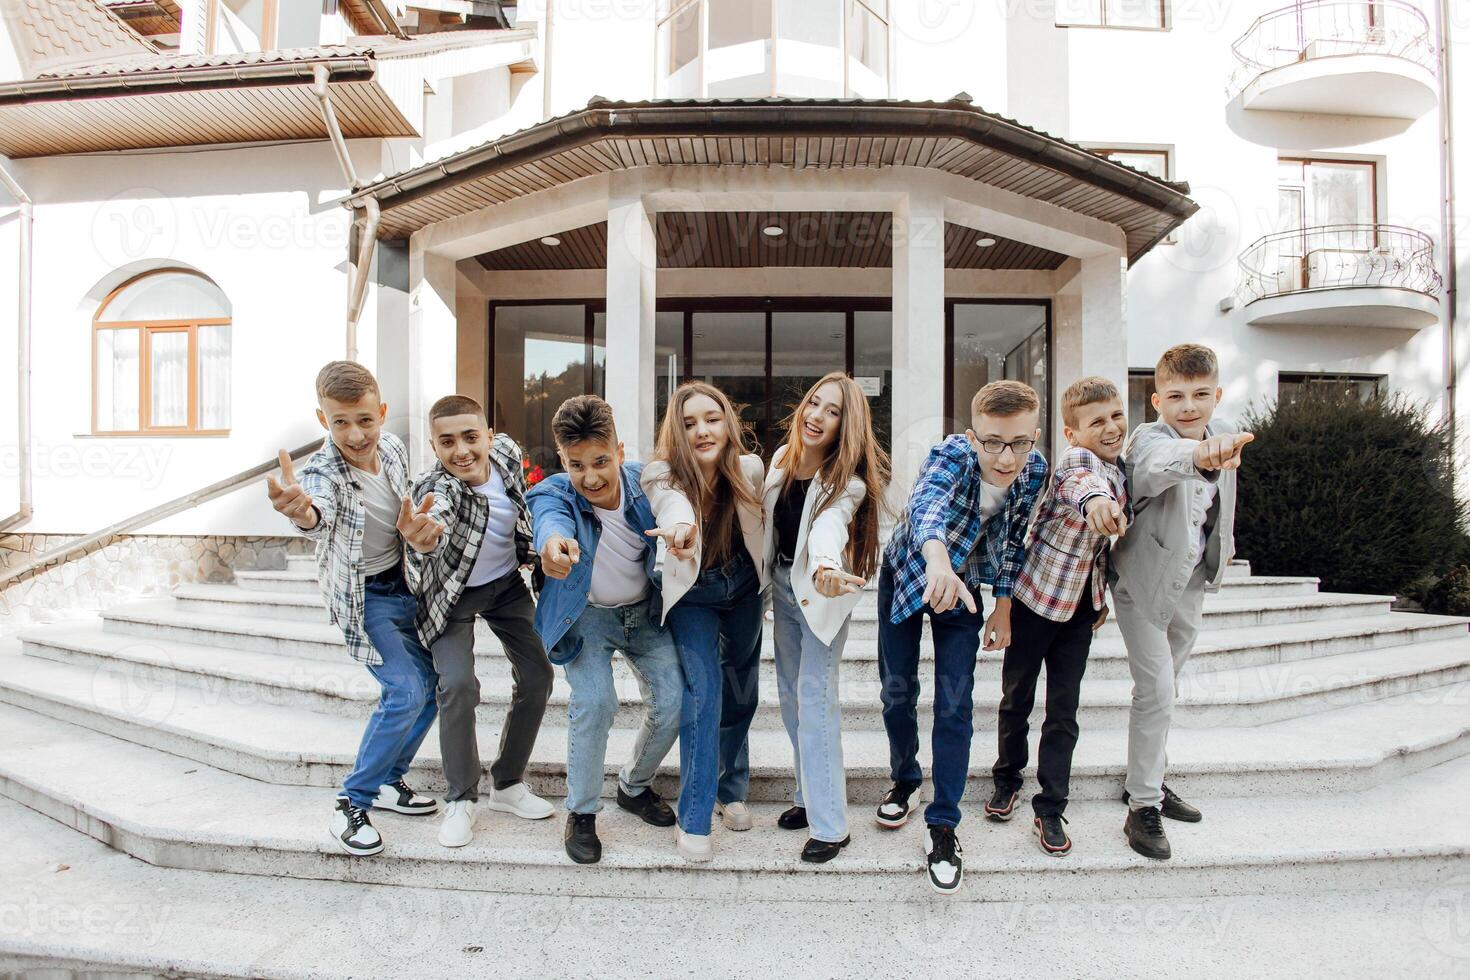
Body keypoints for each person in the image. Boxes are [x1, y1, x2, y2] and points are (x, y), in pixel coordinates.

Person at [876, 380, 1048, 894]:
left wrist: (1003, 607)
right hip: (912, 570)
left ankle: (944, 822)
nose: (1006, 456)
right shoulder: (951, 453)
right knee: (896, 692)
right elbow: (927, 505)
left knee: (956, 702)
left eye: (1019, 443)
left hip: (969, 586)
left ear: (1034, 438)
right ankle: (905, 779)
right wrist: (935, 562)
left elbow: (1014, 539)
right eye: (993, 442)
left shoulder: (1033, 470)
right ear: (974, 437)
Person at [265, 360, 438, 857]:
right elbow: (317, 510)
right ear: (323, 420)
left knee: (432, 689)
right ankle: (351, 802)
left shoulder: (395, 448)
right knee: (405, 690)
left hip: (406, 583)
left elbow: (407, 499)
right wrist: (302, 510)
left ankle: (389, 782)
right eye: (340, 421)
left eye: (365, 419)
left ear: (381, 413)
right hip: (366, 597)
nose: (356, 433)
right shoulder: (322, 472)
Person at [528, 395, 683, 864]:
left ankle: (634, 787)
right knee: (595, 702)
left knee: (675, 700)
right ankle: (582, 812)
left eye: (600, 461)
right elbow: (549, 523)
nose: (591, 477)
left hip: (643, 613)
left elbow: (677, 505)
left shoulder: (647, 481)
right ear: (562, 459)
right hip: (588, 616)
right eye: (577, 465)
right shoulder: (553, 491)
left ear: (619, 449)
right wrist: (553, 546)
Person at [1112, 344, 1250, 860]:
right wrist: (1198, 457)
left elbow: (1221, 507)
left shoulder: (1225, 431)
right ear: (1155, 401)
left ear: (1216, 396)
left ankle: (1150, 778)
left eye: (1199, 395)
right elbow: (1157, 466)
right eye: (1175, 396)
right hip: (1142, 583)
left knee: (1166, 688)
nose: (1187, 406)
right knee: (1157, 690)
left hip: (1190, 582)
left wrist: (1223, 551)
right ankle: (1142, 806)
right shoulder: (1150, 439)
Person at [989, 376, 1130, 860]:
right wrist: (1098, 504)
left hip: (1080, 610)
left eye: (1115, 416)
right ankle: (1007, 779)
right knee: (1017, 698)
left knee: (1064, 710)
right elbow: (1082, 487)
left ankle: (1050, 805)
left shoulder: (1122, 467)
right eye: (1096, 422)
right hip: (1035, 602)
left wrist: (1100, 597)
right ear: (1072, 433)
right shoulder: (1077, 462)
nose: (1110, 428)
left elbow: (1101, 547)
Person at [407, 394, 556, 849]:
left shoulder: (507, 453)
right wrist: (424, 538)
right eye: (447, 442)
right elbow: (436, 518)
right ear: (434, 447)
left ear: (490, 436)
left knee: (538, 674)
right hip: (452, 595)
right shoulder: (437, 488)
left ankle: (508, 783)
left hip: (506, 585)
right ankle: (460, 798)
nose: (462, 451)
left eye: (471, 437)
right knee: (457, 685)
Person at [762, 373, 889, 863]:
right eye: (814, 403)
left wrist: (827, 567)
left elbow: (829, 527)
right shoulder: (781, 462)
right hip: (782, 589)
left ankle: (832, 825)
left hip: (821, 595)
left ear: (846, 425)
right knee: (792, 700)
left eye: (832, 411)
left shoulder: (847, 482)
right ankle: (806, 796)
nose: (816, 415)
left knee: (815, 704)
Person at [640, 381, 766, 862]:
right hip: (693, 592)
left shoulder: (749, 468)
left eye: (711, 419)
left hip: (743, 588)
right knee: (704, 693)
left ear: (728, 423)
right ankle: (694, 819)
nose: (702, 431)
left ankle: (730, 790)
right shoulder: (661, 472)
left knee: (740, 690)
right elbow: (673, 507)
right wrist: (680, 531)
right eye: (689, 423)